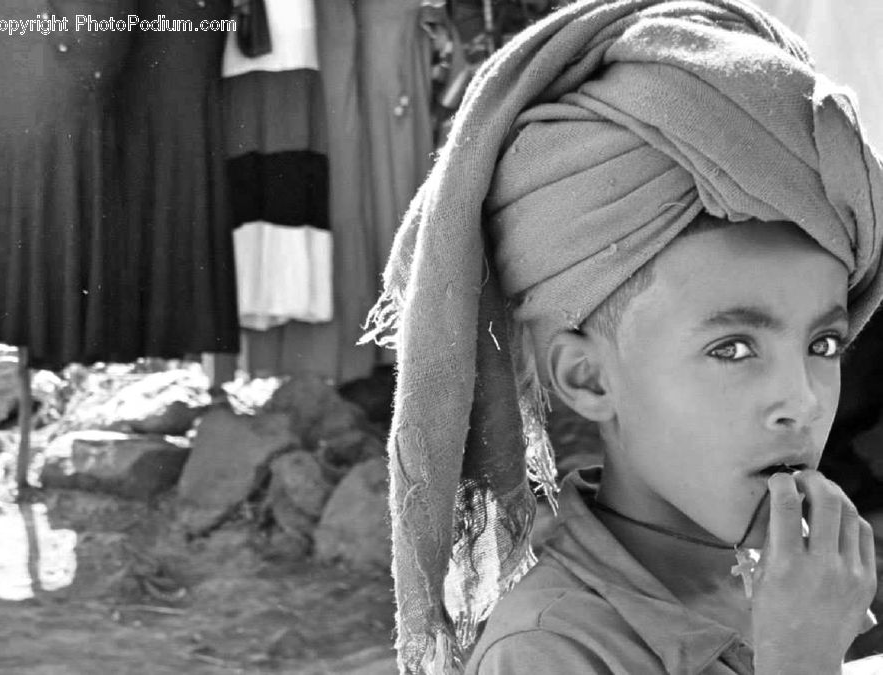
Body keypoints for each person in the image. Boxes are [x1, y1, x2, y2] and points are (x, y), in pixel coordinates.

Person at [360, 0, 883, 673]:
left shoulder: (792, 588)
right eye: (733, 348)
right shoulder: (550, 649)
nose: (803, 401)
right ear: (587, 378)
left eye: (824, 345)